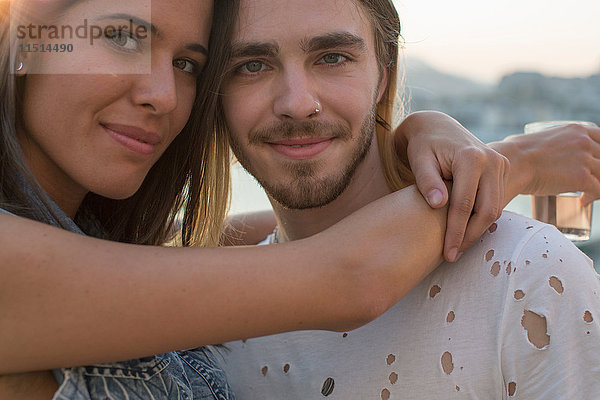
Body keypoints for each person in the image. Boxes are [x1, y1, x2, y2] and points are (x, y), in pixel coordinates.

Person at [0, 0, 527, 398]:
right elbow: (352, 278)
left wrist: (416, 135)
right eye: (122, 37)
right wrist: (519, 162)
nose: (162, 94)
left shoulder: (88, 240)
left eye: (188, 64)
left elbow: (220, 245)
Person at [215, 0, 600, 398]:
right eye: (251, 65)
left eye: (332, 57)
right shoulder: (208, 325)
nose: (296, 104)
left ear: (384, 75)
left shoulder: (527, 274)